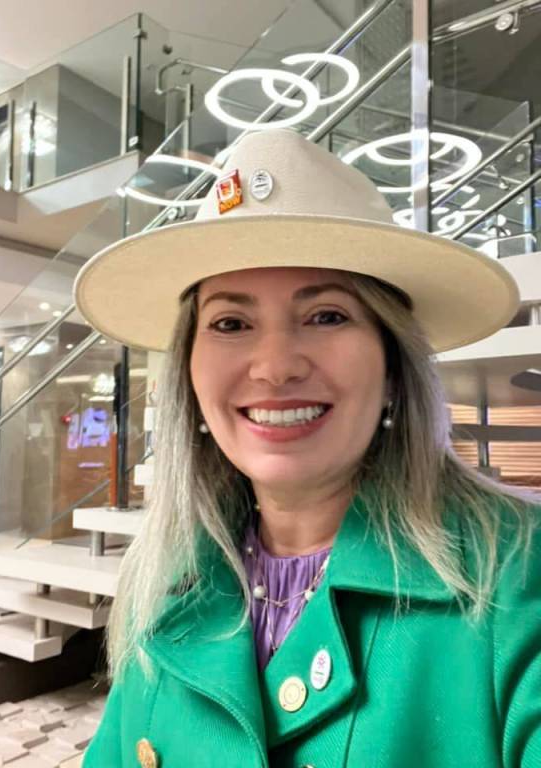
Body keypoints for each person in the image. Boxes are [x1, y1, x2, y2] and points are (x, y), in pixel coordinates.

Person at [74, 129, 541, 768]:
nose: (275, 367)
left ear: (393, 365)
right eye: (231, 323)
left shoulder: (518, 573)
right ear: (188, 372)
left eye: (326, 316)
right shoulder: (164, 580)